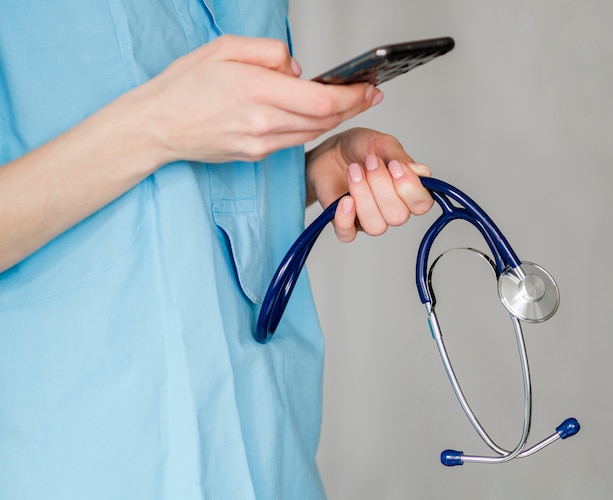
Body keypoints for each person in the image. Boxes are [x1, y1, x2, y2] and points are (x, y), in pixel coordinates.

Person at [0, 1, 433, 498]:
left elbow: (183, 206)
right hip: (79, 459)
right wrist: (153, 126)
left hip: (272, 454)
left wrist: (312, 171)